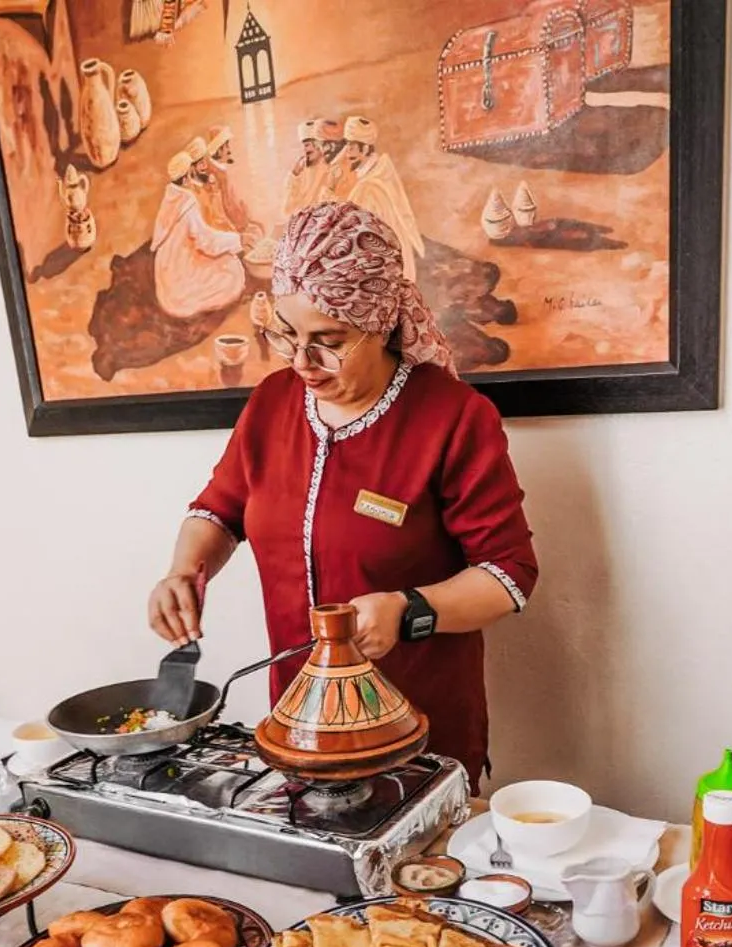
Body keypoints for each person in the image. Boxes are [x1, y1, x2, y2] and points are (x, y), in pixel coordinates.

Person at [148, 203, 537, 786]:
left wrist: (408, 610)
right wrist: (184, 570)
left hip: (416, 729)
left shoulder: (452, 418)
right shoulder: (272, 403)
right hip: (299, 727)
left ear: (379, 322)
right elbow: (219, 510)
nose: (302, 362)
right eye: (287, 334)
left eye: (328, 341)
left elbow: (508, 575)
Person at [151, 150, 246, 318]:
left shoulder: (170, 198)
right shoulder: (186, 202)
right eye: (192, 171)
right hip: (179, 280)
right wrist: (238, 240)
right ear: (186, 177)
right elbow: (206, 242)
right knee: (231, 270)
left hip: (167, 274)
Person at [335, 116, 425, 280]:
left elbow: (357, 237)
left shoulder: (368, 188)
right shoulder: (379, 176)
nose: (346, 153)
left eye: (351, 147)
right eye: (346, 146)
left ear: (365, 149)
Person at [198, 125, 261, 238]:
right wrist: (240, 229)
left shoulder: (221, 171)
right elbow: (222, 211)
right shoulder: (214, 175)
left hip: (238, 224)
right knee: (257, 233)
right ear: (219, 150)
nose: (229, 150)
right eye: (226, 146)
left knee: (259, 229)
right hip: (229, 229)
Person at [282, 118, 329, 217]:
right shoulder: (301, 171)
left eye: (307, 145)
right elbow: (287, 208)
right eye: (303, 146)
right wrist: (294, 174)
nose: (304, 150)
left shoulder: (329, 168)